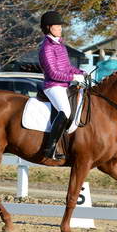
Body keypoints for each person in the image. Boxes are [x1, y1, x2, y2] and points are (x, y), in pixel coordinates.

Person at [39, 10, 86, 160]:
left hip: (64, 85)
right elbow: (53, 73)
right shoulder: (47, 47)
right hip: (52, 86)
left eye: (60, 26)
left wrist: (81, 72)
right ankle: (50, 148)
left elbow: (67, 67)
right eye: (57, 26)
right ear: (48, 27)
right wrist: (74, 77)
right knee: (65, 110)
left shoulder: (60, 45)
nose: (60, 28)